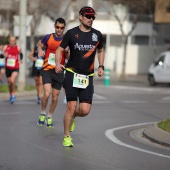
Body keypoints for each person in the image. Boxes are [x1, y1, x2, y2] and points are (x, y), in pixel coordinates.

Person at [55, 6, 105, 147]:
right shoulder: (71, 33)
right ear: (80, 16)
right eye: (88, 16)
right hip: (71, 74)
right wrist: (57, 64)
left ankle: (74, 117)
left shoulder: (97, 35)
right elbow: (59, 50)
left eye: (92, 17)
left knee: (85, 110)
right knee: (71, 107)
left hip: (87, 76)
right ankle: (66, 137)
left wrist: (101, 65)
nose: (91, 19)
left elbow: (101, 50)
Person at [37, 18, 68, 128]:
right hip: (47, 69)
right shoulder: (48, 37)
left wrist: (68, 51)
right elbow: (40, 45)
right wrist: (40, 50)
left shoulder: (66, 40)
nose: (59, 29)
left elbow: (68, 57)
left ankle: (49, 116)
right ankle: (42, 113)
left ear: (64, 28)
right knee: (47, 93)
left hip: (59, 71)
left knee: (55, 97)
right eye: (57, 27)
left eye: (62, 28)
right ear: (55, 26)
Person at [2, 36, 22, 104]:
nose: (12, 42)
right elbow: (2, 55)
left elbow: (21, 54)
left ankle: (13, 94)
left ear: (15, 41)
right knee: (9, 83)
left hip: (15, 67)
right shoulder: (6, 47)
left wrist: (21, 59)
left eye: (13, 41)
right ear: (9, 41)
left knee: (12, 81)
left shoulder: (18, 48)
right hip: (8, 67)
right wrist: (4, 55)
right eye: (11, 40)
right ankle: (11, 95)